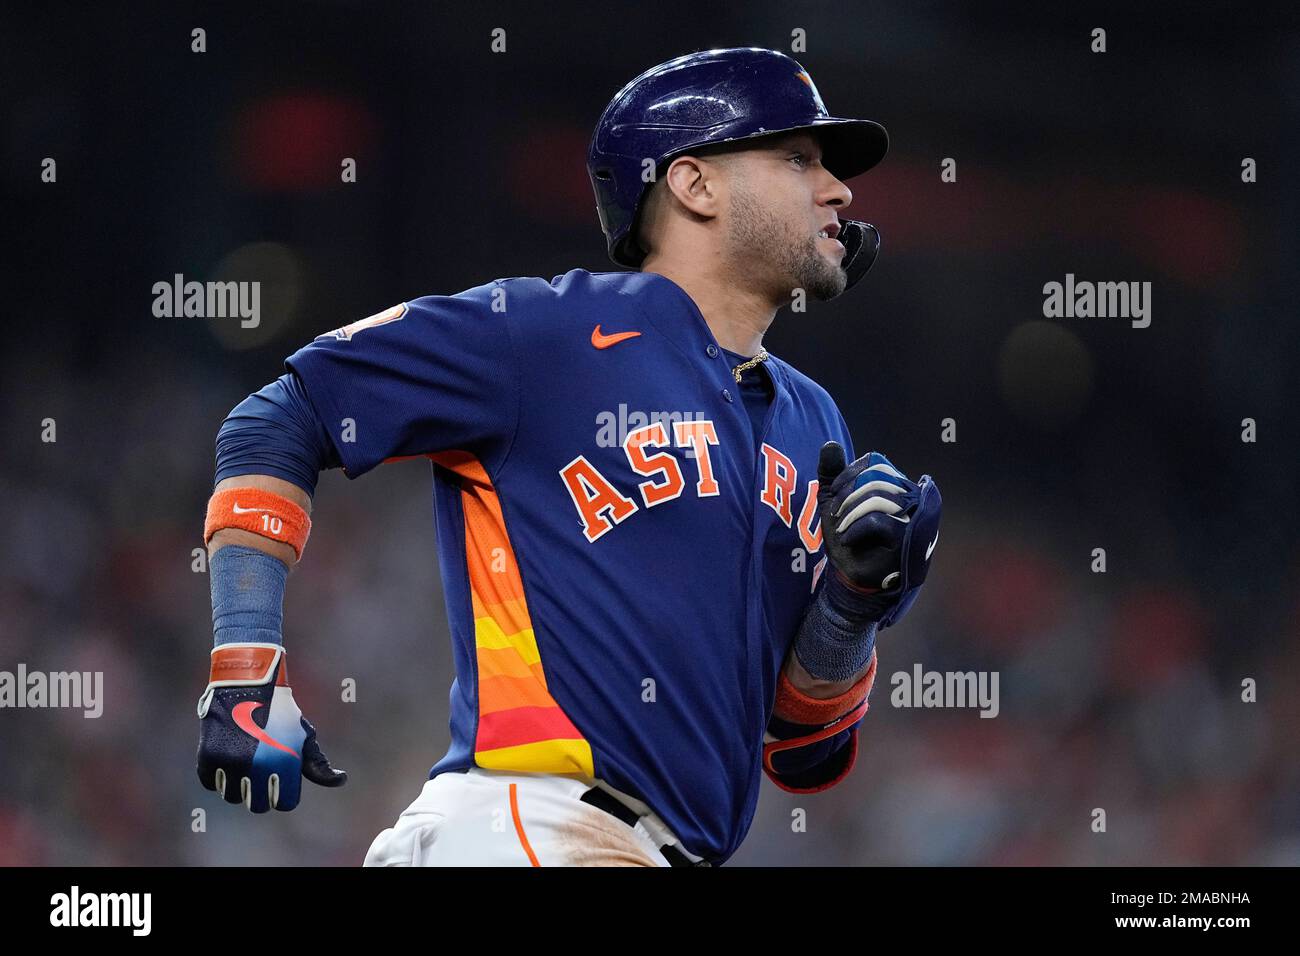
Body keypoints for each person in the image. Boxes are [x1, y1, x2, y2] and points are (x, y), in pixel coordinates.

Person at [195, 46, 942, 867]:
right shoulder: (543, 331)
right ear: (694, 185)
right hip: (527, 824)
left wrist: (850, 607)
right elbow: (279, 419)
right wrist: (245, 659)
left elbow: (802, 751)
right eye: (799, 158)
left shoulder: (814, 423)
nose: (837, 189)